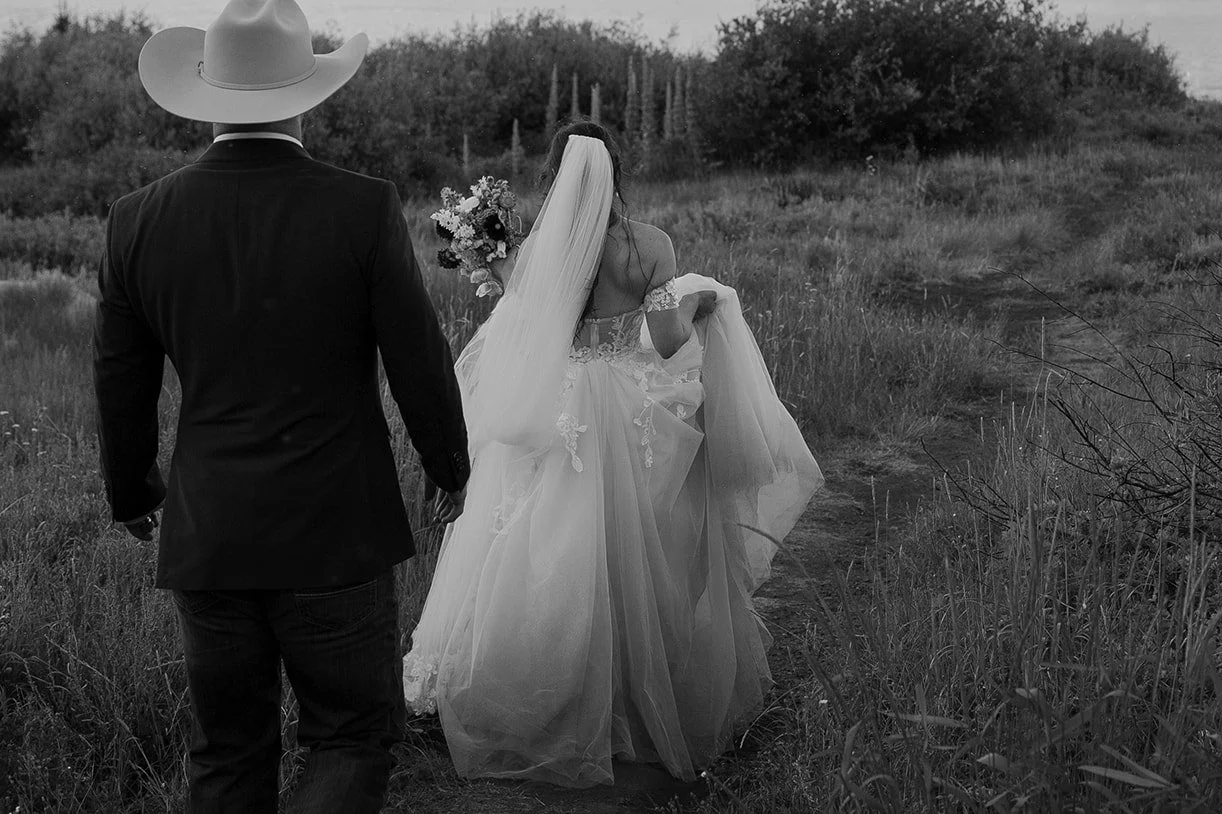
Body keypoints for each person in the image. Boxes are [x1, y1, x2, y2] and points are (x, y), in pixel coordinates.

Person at [94, 1, 470, 811]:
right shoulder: (361, 205)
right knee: (349, 739)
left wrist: (130, 492)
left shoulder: (136, 220)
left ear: (211, 95)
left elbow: (119, 381)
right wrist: (450, 467)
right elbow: (418, 357)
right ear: (307, 94)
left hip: (211, 532)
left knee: (226, 752)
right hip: (336, 528)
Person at [403, 121, 822, 787]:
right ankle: (634, 689)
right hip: (625, 402)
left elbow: (528, 322)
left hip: (561, 407)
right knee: (634, 546)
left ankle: (539, 693)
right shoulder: (650, 245)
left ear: (559, 175)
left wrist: (482, 252)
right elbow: (663, 334)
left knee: (539, 544)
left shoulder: (539, 251)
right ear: (616, 173)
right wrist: (700, 303)